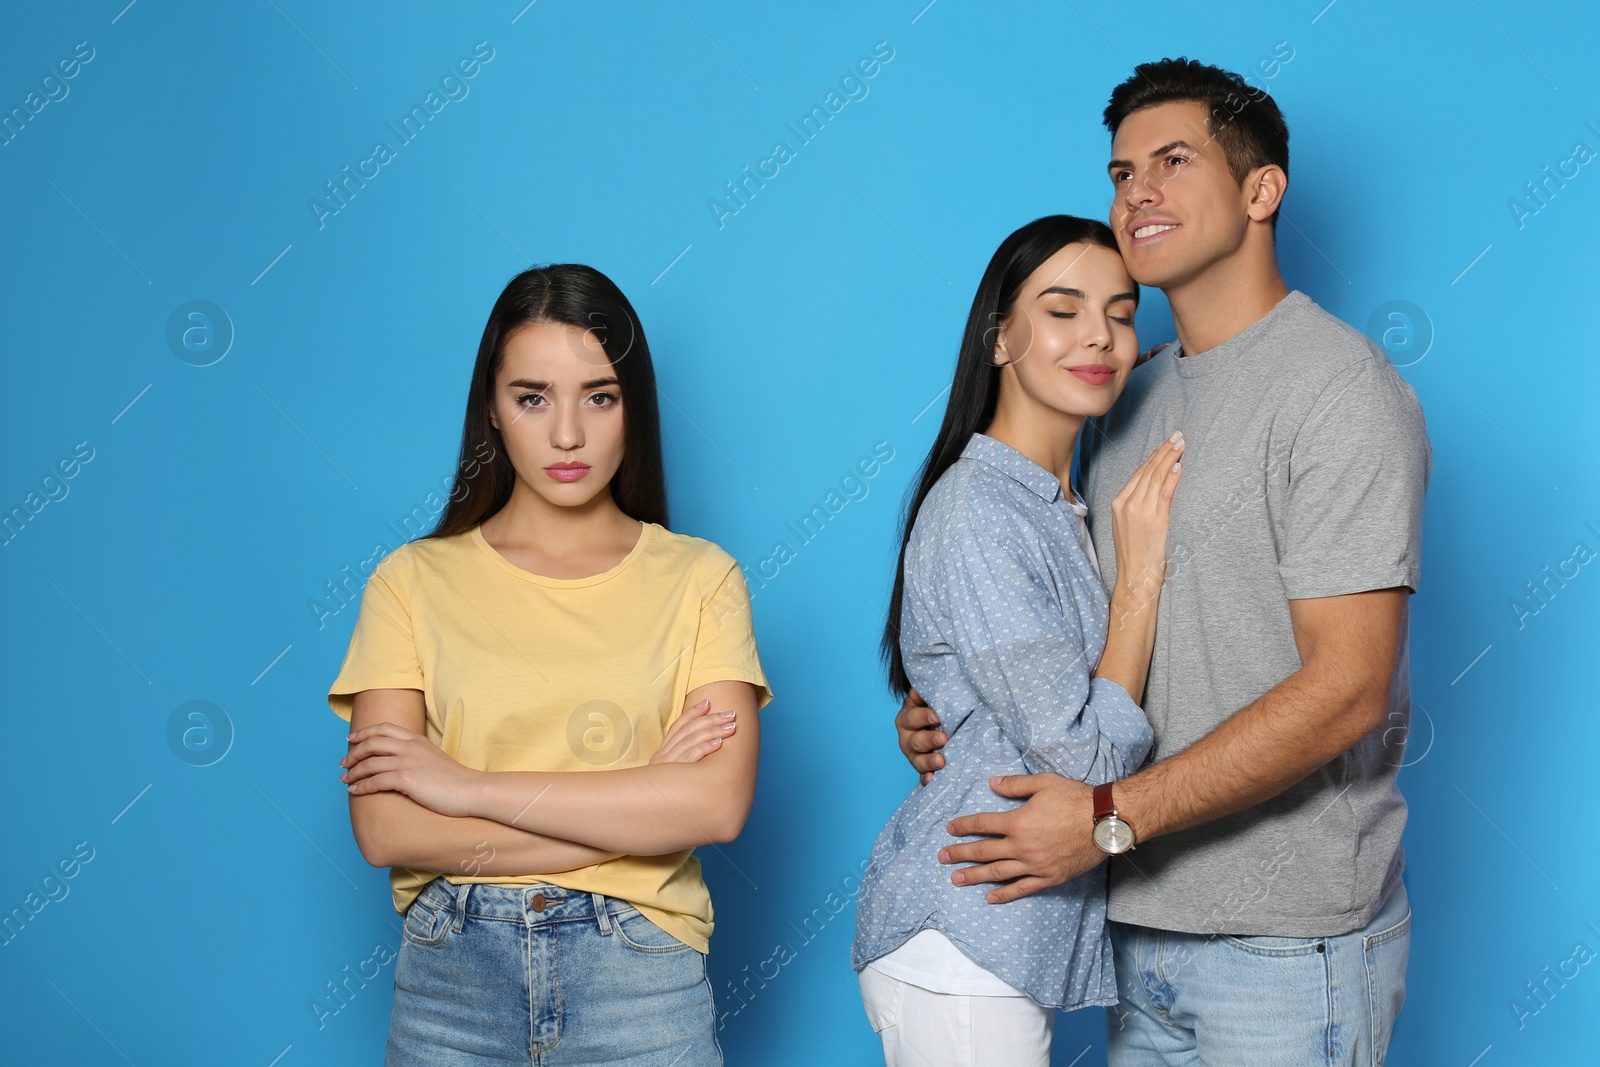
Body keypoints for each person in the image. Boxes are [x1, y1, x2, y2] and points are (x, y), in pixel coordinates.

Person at [896, 59, 1431, 1065]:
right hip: (1125, 929)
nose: (1136, 191)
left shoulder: (1338, 392)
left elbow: (1348, 688)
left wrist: (1108, 817)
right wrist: (961, 707)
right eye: (1121, 170)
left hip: (1284, 945)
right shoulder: (1119, 394)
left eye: (1173, 162)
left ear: (1261, 189)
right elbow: (1066, 625)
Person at [328, 263, 771, 1066]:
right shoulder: (410, 581)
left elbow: (714, 806)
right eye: (533, 397)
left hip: (639, 982)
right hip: (450, 982)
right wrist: (634, 811)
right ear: (492, 411)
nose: (567, 433)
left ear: (633, 406)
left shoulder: (702, 578)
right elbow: (387, 826)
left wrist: (464, 789)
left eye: (599, 395)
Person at [852, 214, 1187, 1067]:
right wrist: (1140, 580)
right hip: (962, 944)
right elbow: (1083, 767)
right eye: (1063, 310)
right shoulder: (980, 511)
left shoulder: (1052, 500)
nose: (1100, 337)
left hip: (1000, 946)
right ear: (1001, 336)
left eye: (1120, 312)